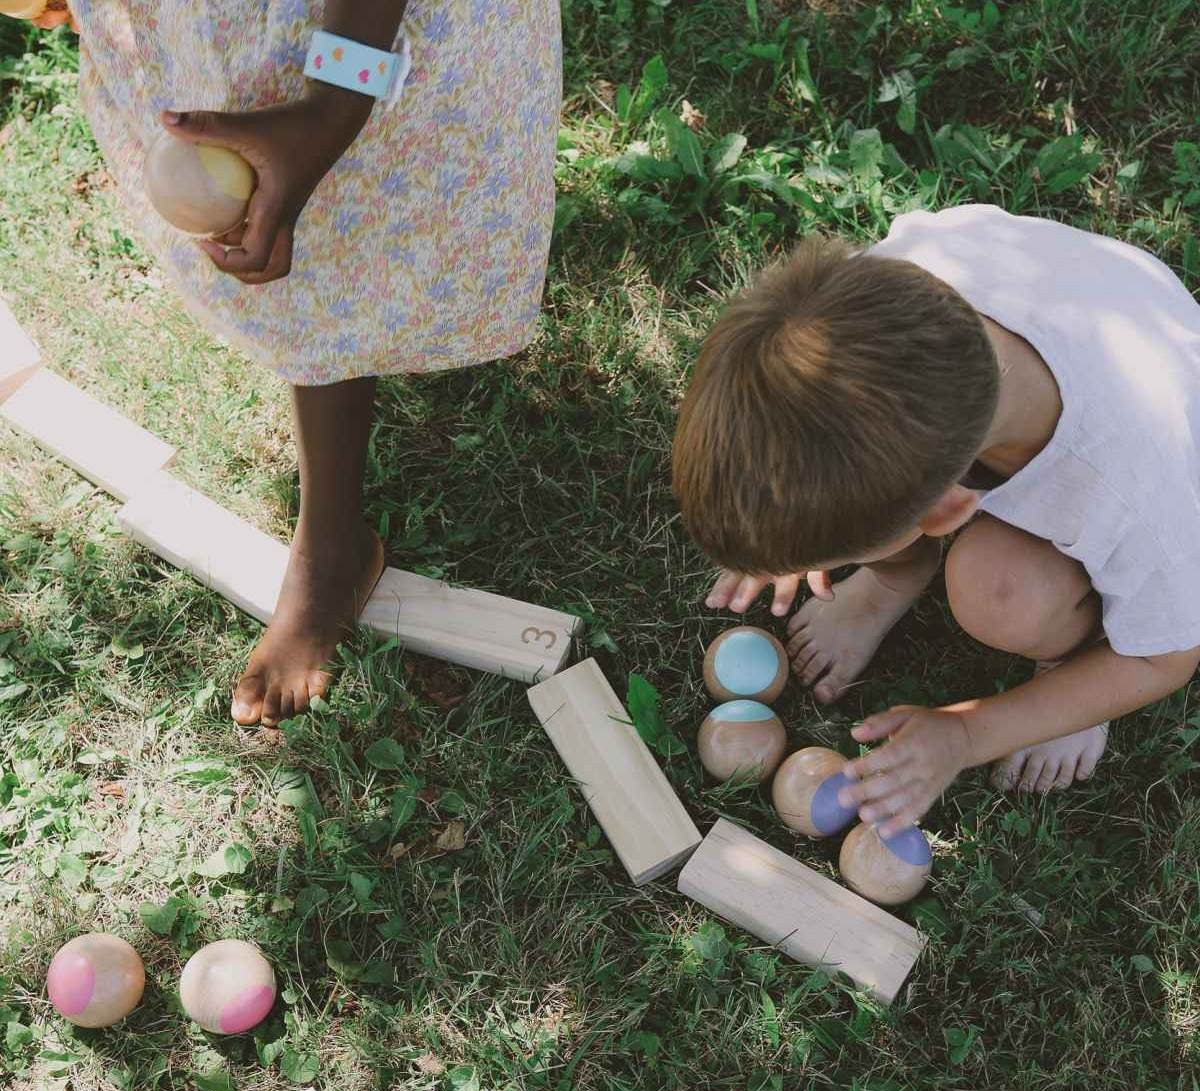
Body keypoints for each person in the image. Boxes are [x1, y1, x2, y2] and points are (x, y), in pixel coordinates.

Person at [49, 0, 560, 725]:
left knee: (328, 225)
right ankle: (331, 541)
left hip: (349, 25)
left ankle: (330, 547)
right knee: (262, 187)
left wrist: (332, 106)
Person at [673, 204, 1200, 834]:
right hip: (1052, 320)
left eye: (842, 553)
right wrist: (792, 527)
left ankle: (1070, 669)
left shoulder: (1135, 490)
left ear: (949, 510)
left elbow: (1164, 658)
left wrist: (968, 732)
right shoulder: (869, 304)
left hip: (1146, 377)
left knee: (1001, 594)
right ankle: (893, 580)